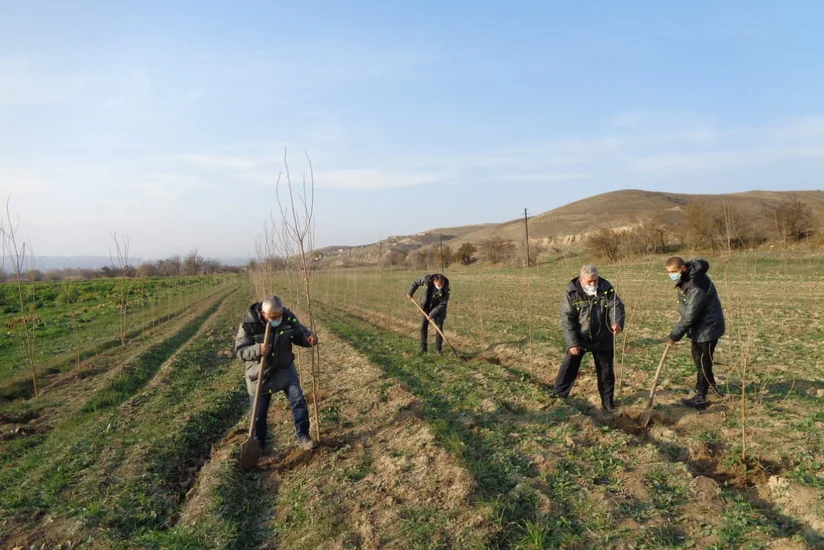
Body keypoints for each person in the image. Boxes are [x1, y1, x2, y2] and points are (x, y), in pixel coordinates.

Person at [234, 295, 319, 451]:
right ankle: (258, 445)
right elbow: (240, 351)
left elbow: (300, 333)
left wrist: (309, 339)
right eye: (272, 317)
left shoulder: (288, 318)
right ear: (263, 312)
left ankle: (304, 437)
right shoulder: (248, 323)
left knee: (298, 401)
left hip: (284, 368)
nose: (277, 319)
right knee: (258, 414)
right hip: (259, 373)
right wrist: (257, 350)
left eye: (279, 316)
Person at [550, 264, 625, 413]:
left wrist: (616, 322)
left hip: (603, 336)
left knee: (606, 371)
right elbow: (568, 319)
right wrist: (572, 343)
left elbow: (616, 306)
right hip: (581, 337)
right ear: (581, 280)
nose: (593, 284)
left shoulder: (606, 288)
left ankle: (608, 402)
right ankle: (559, 393)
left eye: (595, 280)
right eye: (589, 281)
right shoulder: (572, 293)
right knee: (569, 364)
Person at [665, 257, 726, 410]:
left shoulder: (695, 286)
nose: (672, 275)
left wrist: (674, 336)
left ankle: (700, 397)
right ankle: (712, 387)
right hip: (700, 327)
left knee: (703, 362)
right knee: (700, 361)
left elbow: (690, 316)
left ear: (683, 268)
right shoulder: (689, 276)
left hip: (708, 328)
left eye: (674, 272)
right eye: (669, 272)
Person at [407, 273, 450, 354]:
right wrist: (410, 292)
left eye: (442, 285)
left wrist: (432, 314)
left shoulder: (446, 289)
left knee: (439, 328)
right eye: (438, 285)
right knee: (423, 326)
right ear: (434, 282)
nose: (440, 287)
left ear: (444, 282)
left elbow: (442, 304)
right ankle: (423, 349)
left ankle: (438, 349)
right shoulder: (427, 281)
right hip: (426, 306)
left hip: (439, 309)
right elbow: (416, 282)